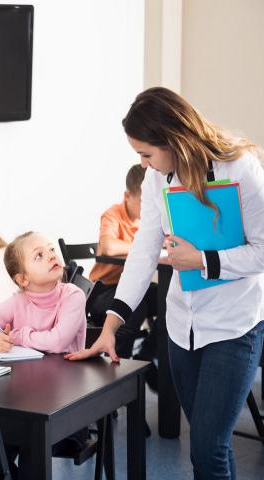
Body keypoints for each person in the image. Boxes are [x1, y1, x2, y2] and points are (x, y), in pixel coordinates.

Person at [67, 87, 264, 479]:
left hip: (233, 326)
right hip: (181, 328)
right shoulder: (156, 180)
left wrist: (203, 260)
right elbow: (143, 253)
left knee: (209, 448)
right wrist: (110, 327)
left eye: (146, 153)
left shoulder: (238, 167)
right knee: (205, 452)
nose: (144, 164)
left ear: (173, 139)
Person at [0, 231, 87, 475]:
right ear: (23, 280)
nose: (51, 256)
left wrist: (19, 335)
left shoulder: (73, 295)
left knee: (31, 440)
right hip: (23, 403)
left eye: (51, 250)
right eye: (39, 255)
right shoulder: (17, 301)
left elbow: (58, 341)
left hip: (67, 405)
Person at [88, 164, 159, 360]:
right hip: (103, 290)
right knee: (137, 305)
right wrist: (146, 246)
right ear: (128, 196)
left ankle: (145, 358)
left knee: (168, 300)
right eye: (144, 202)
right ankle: (120, 361)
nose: (148, 208)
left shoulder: (150, 221)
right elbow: (109, 247)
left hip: (134, 286)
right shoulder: (113, 214)